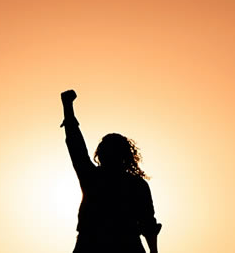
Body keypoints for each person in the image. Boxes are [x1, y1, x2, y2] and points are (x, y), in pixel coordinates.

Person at [60, 89, 161, 253]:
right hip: (100, 244)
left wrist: (68, 107)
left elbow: (148, 225)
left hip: (111, 244)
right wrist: (68, 108)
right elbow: (75, 144)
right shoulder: (134, 184)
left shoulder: (93, 177)